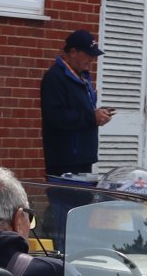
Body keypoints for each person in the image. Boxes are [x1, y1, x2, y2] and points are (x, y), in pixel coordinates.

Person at [40, 30, 115, 177]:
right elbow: (55, 116)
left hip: (83, 155)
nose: (92, 59)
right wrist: (91, 117)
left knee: (83, 199)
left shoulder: (83, 77)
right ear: (73, 52)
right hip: (65, 158)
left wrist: (99, 113)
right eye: (88, 54)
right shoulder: (55, 77)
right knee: (66, 199)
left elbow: (81, 110)